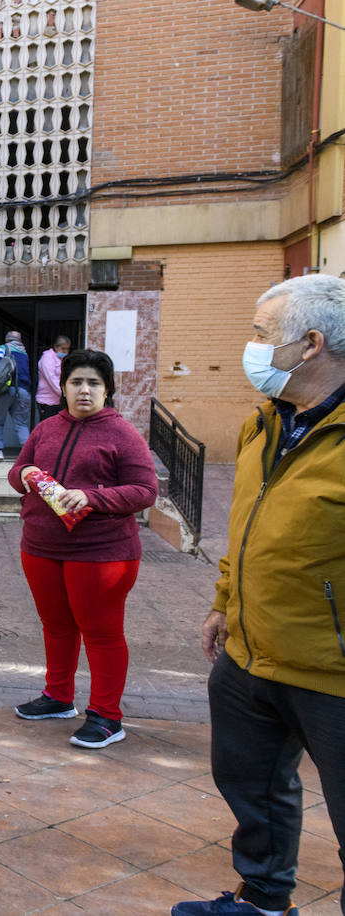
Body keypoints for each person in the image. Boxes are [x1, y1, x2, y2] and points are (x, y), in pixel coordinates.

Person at [171, 275, 345, 916]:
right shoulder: (264, 424)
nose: (249, 345)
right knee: (254, 791)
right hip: (249, 654)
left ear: (310, 345)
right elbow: (249, 525)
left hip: (332, 672)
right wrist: (224, 602)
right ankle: (264, 899)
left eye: (260, 333)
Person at [7, 349, 157, 749]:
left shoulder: (123, 435)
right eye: (76, 382)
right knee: (56, 625)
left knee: (102, 633)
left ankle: (108, 716)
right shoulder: (45, 429)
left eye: (93, 383)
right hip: (40, 546)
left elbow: (146, 490)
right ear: (63, 387)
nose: (84, 390)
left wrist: (92, 497)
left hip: (102, 553)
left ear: (107, 390)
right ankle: (58, 697)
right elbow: (16, 471)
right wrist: (22, 473)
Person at [0, 329, 32, 459]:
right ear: (20, 341)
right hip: (23, 391)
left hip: (6, 390)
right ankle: (28, 456)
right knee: (21, 424)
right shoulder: (24, 353)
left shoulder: (2, 348)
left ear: (6, 340)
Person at [35, 334, 71, 423]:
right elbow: (51, 379)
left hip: (58, 401)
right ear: (56, 347)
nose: (66, 352)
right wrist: (64, 394)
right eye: (63, 349)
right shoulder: (48, 357)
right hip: (47, 401)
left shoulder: (61, 359)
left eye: (67, 349)